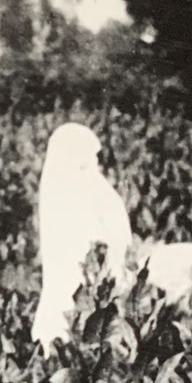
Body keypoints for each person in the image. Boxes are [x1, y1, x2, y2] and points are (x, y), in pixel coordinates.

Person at [32, 122, 133, 346]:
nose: (96, 161)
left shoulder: (83, 185)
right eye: (90, 155)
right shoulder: (69, 189)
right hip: (86, 276)